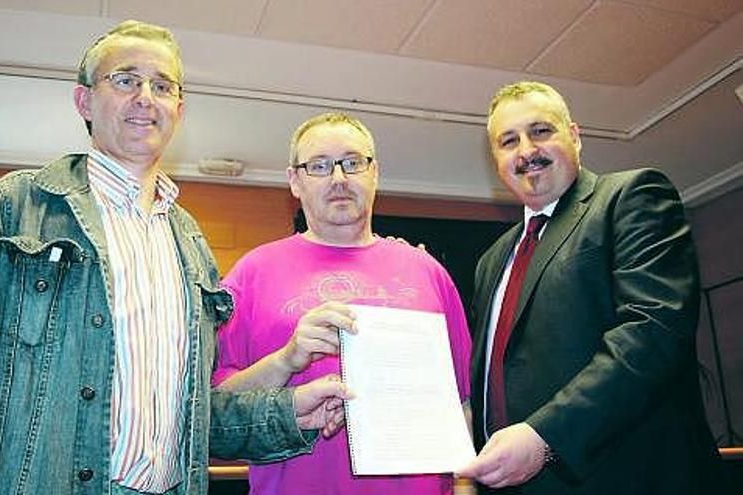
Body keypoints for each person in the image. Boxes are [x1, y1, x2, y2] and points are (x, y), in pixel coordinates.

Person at [0, 20, 350, 495]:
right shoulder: (15, 207)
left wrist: (293, 410)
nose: (145, 97)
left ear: (178, 108)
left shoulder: (189, 243)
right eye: (126, 80)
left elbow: (195, 418)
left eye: (162, 85)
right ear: (84, 101)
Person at [456, 81, 722, 493]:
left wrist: (545, 437)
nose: (526, 150)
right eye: (509, 141)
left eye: (540, 131)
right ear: (497, 160)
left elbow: (652, 333)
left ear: (575, 137)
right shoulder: (492, 260)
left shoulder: (631, 197)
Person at [212, 112, 472, 494]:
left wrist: (466, 485)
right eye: (318, 166)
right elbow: (217, 409)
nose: (338, 178)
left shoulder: (427, 271)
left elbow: (461, 404)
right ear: (294, 181)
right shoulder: (252, 272)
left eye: (352, 163)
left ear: (375, 173)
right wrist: (286, 359)